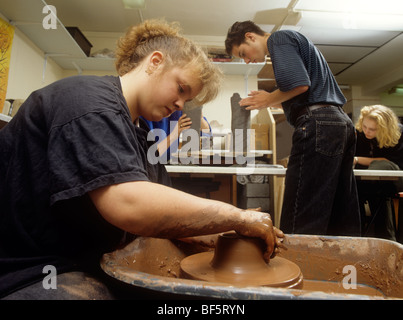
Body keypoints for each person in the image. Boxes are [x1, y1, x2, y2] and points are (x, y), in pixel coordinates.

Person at [0, 20, 284, 299]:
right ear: (155, 62)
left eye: (187, 100)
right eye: (181, 89)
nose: (179, 105)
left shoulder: (141, 133)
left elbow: (165, 222)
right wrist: (237, 215)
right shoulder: (88, 102)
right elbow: (129, 204)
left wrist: (233, 232)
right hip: (29, 269)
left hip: (82, 260)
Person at [225, 21, 360, 236]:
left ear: (251, 36)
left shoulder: (279, 39)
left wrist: (269, 98)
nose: (248, 60)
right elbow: (303, 91)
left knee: (301, 210)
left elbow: (299, 84)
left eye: (243, 53)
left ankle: (297, 266)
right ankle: (342, 265)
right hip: (340, 123)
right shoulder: (295, 42)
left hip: (321, 124)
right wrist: (270, 101)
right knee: (340, 210)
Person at [354, 105, 403, 242]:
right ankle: (359, 234)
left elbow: (389, 162)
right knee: (356, 186)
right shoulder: (360, 134)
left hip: (394, 176)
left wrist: (358, 159)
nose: (367, 132)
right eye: (365, 127)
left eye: (372, 129)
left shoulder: (399, 134)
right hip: (371, 181)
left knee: (380, 170)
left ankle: (387, 238)